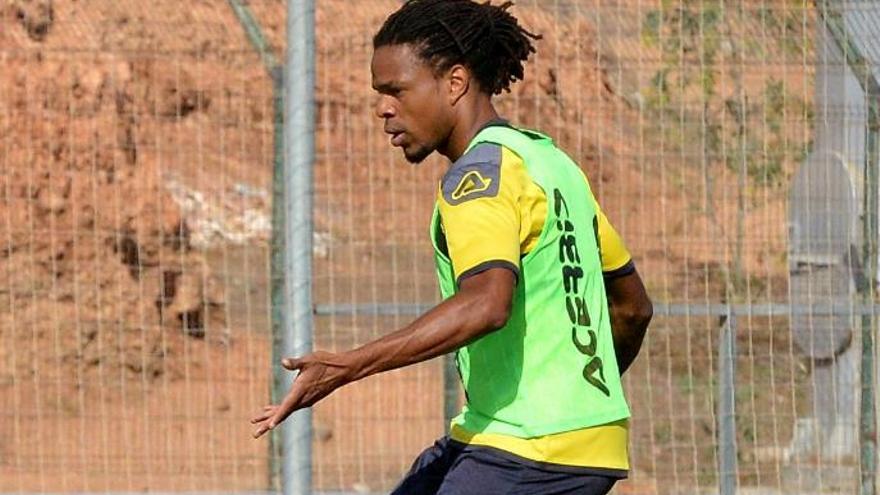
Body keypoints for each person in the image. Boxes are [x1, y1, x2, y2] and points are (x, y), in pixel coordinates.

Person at [251, 1, 653, 493]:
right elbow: (633, 308)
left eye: (396, 90)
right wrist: (578, 402)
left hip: (527, 449)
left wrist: (348, 365)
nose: (383, 108)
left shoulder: (476, 178)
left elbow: (486, 304)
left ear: (455, 82)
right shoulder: (552, 165)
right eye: (380, 93)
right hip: (558, 440)